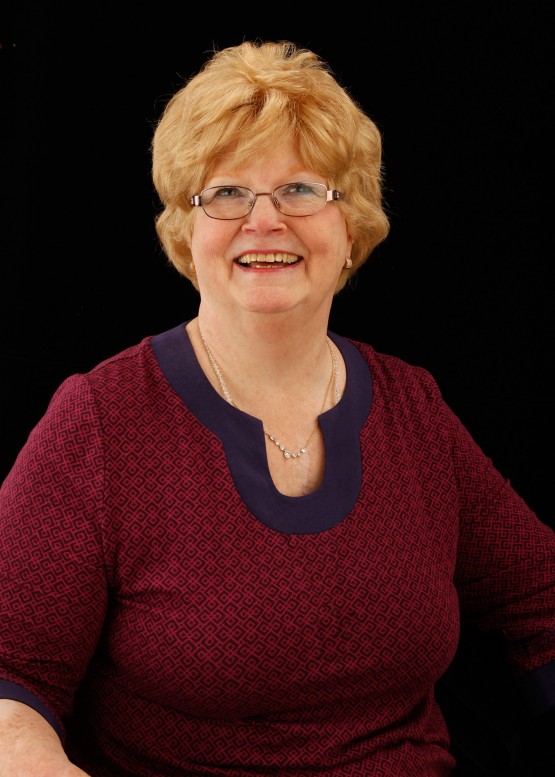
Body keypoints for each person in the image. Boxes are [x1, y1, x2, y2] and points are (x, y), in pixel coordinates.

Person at [0, 39, 553, 777]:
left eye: (301, 189)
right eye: (226, 192)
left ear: (349, 224)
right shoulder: (100, 422)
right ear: (183, 229)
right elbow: (10, 689)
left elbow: (539, 599)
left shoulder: (411, 408)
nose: (264, 220)